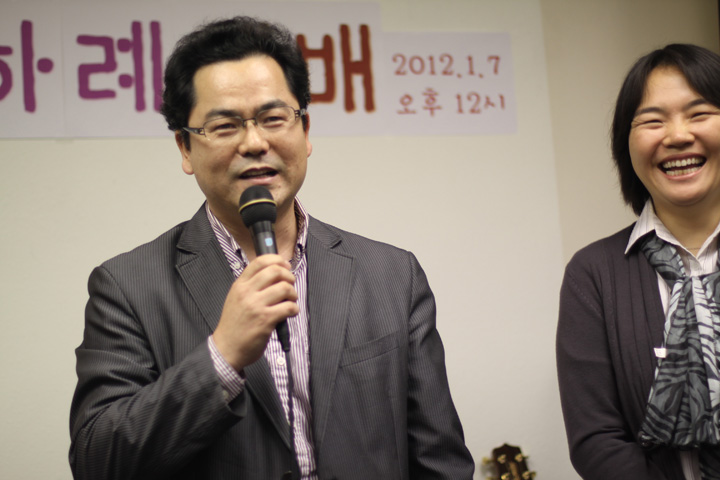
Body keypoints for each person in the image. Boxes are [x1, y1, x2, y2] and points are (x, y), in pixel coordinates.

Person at [68, 15, 474, 480]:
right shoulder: (127, 287)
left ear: (305, 130)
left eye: (273, 118)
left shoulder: (392, 276)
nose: (255, 142)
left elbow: (440, 461)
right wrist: (221, 357)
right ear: (184, 148)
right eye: (224, 125)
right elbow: (97, 460)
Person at [557, 43, 720, 479]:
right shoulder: (593, 273)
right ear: (625, 144)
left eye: (699, 114)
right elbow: (596, 440)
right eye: (652, 121)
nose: (677, 136)